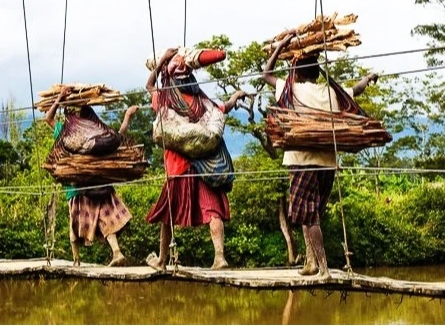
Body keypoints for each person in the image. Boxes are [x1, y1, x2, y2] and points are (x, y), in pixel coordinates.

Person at [262, 34, 378, 278]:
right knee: (312, 214)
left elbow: (266, 74)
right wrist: (367, 78)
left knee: (308, 215)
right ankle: (310, 262)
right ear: (316, 73)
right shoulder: (331, 92)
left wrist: (281, 47)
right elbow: (355, 90)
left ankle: (323, 268)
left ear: (297, 72)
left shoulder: (291, 89)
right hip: (327, 163)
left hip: (302, 162)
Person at [145, 47, 246, 271]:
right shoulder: (203, 101)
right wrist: (235, 97)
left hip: (178, 166)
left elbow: (149, 86)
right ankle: (219, 257)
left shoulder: (166, 97)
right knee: (213, 211)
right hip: (205, 165)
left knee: (168, 216)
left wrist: (162, 61)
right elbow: (223, 108)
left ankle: (162, 260)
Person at [45, 85, 139, 267]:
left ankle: (78, 261)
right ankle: (113, 253)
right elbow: (119, 136)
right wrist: (127, 116)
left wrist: (59, 99)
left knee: (77, 223)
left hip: (80, 189)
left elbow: (48, 118)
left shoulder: (68, 132)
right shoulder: (96, 133)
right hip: (94, 187)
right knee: (104, 219)